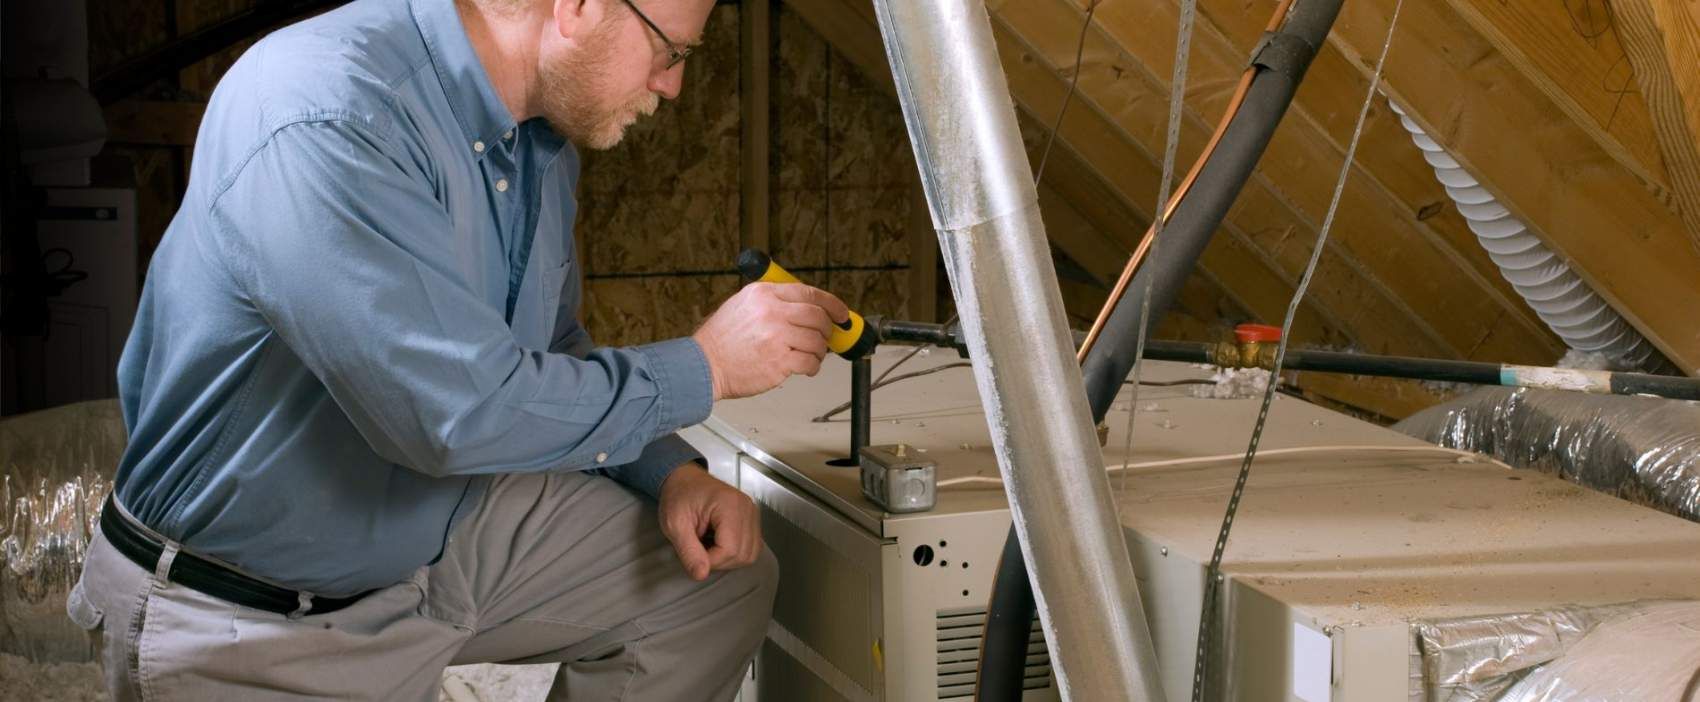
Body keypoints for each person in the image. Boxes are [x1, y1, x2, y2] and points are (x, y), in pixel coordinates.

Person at [66, 0, 849, 699]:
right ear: (576, 8)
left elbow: (546, 349)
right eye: (670, 52)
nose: (672, 86)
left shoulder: (535, 141)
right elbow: (451, 416)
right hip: (248, 617)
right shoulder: (327, 111)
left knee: (712, 585)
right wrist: (706, 366)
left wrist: (666, 469)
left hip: (429, 541)